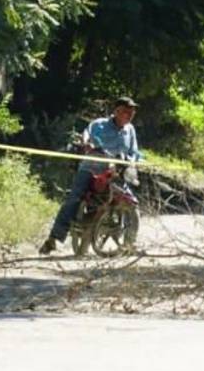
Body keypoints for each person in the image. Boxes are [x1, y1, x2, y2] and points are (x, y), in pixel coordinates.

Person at [39, 97, 140, 254]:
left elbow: (134, 152)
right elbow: (86, 135)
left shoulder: (130, 130)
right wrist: (87, 144)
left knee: (132, 203)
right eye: (127, 111)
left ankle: (129, 244)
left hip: (117, 172)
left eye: (132, 112)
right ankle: (53, 239)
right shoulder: (98, 124)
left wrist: (132, 161)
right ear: (116, 111)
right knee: (74, 198)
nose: (130, 114)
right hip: (92, 169)